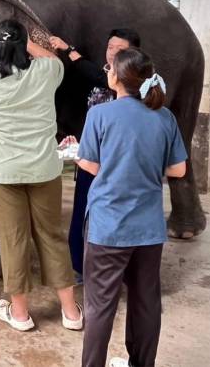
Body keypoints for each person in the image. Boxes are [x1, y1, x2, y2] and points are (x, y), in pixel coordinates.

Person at [0, 16, 83, 332]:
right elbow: (52, 57)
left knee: (13, 239)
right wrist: (26, 41)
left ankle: (21, 314)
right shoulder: (46, 72)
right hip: (44, 169)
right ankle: (71, 313)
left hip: (4, 172)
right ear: (22, 46)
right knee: (52, 236)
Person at [75, 48, 187, 367]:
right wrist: (147, 166)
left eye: (109, 67)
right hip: (149, 231)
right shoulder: (165, 117)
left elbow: (89, 164)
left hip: (107, 229)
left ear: (115, 77)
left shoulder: (100, 114)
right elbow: (179, 170)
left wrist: (115, 164)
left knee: (99, 307)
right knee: (146, 304)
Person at [50, 29, 141, 278]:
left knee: (117, 215)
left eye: (119, 50)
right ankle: (79, 266)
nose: (112, 53)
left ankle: (119, 270)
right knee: (82, 211)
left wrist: (70, 50)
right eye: (110, 47)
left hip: (120, 165)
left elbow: (99, 78)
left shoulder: (136, 86)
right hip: (91, 160)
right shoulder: (98, 76)